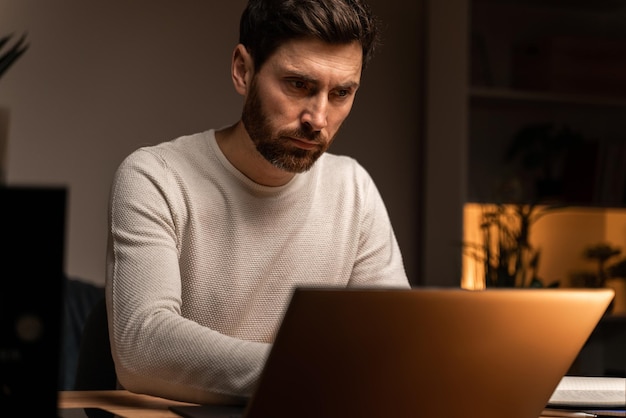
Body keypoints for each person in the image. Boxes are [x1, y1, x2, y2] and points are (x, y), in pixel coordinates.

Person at [105, 0, 410, 406]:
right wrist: (315, 373)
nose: (318, 118)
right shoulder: (155, 177)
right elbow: (142, 344)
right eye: (298, 85)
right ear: (243, 70)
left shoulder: (353, 187)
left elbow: (396, 349)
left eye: (340, 93)